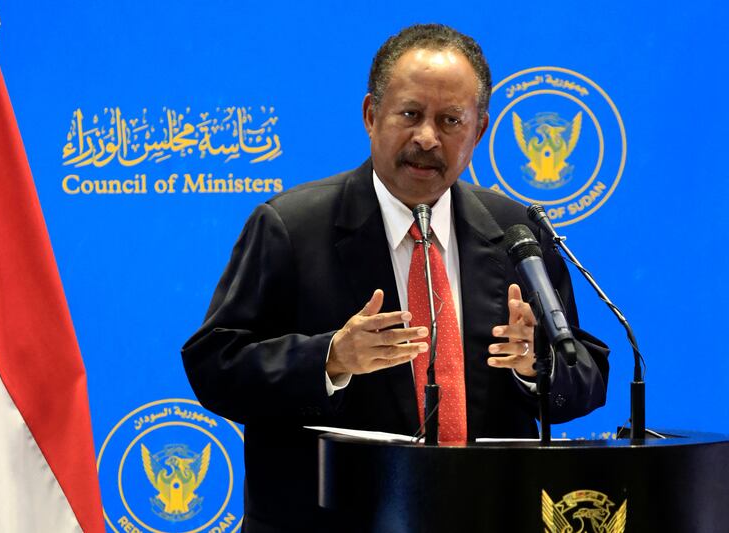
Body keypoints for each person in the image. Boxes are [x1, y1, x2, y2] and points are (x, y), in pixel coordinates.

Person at [182, 23, 609, 533]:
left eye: (451, 120)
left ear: (479, 131)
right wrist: (331, 358)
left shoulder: (515, 230)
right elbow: (214, 364)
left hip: (487, 516)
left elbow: (586, 373)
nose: (427, 137)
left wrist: (535, 366)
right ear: (370, 116)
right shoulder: (291, 226)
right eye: (411, 114)